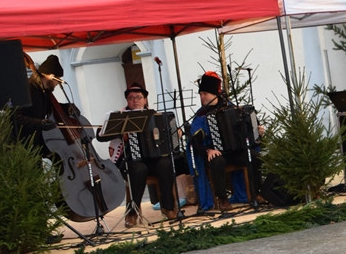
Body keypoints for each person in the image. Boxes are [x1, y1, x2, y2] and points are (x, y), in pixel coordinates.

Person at [99, 83, 179, 227]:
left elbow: (168, 134)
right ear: (127, 101)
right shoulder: (121, 116)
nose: (135, 100)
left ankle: (168, 207)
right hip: (130, 159)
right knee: (138, 169)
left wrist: (175, 133)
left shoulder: (154, 116)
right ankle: (132, 213)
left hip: (154, 158)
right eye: (131, 98)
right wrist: (120, 132)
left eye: (139, 97)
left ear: (145, 100)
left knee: (165, 164)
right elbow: (100, 136)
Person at [188, 72, 255, 214]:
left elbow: (246, 129)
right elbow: (195, 142)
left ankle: (257, 193)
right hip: (215, 154)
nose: (202, 97)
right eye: (200, 94)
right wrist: (208, 150)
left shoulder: (232, 108)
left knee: (254, 156)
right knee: (217, 161)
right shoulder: (201, 116)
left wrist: (257, 131)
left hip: (234, 151)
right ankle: (222, 198)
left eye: (205, 93)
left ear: (215, 94)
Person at [12, 55, 64, 157]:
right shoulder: (27, 89)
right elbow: (14, 116)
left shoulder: (44, 91)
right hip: (20, 144)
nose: (57, 84)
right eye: (57, 80)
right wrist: (40, 123)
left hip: (35, 142)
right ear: (50, 76)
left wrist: (68, 108)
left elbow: (51, 107)